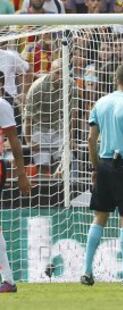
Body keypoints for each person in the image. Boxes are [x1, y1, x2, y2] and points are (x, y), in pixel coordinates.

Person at [80, 64, 123, 286]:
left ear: (116, 79)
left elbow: (90, 140)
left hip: (104, 165)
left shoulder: (100, 103)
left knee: (99, 217)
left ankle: (86, 271)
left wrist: (96, 167)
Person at [0, 70, 31, 293]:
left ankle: (8, 279)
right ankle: (8, 279)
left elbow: (14, 141)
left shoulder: (2, 106)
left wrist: (22, 174)